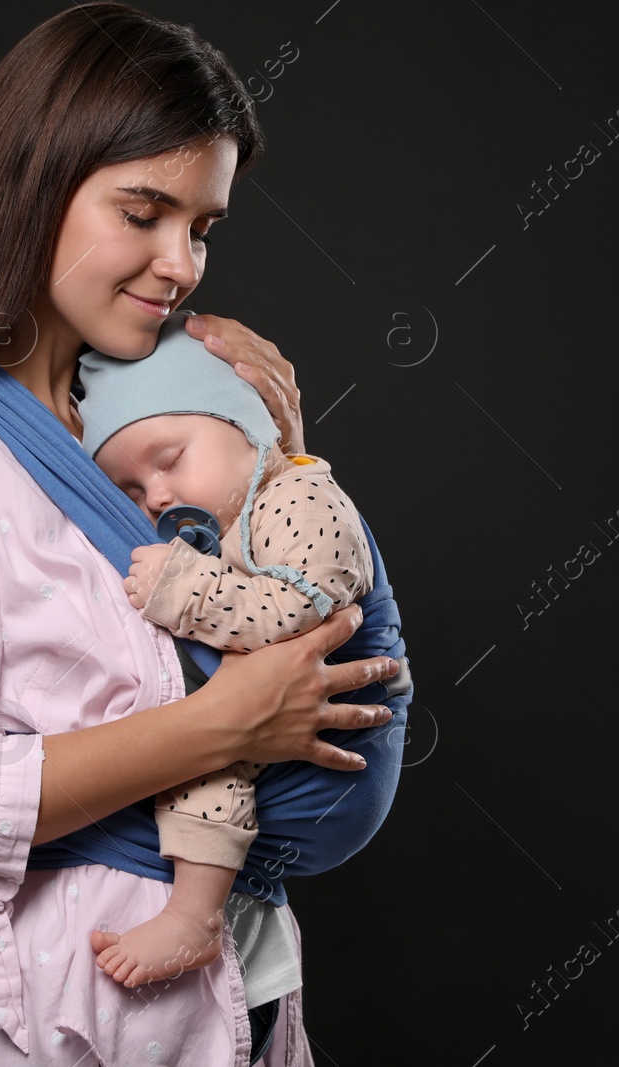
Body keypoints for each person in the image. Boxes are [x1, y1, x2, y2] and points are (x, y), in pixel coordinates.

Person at [0, 5, 411, 1064]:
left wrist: (276, 461)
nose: (180, 263)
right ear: (32, 184)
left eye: (204, 227)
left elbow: (287, 617)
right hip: (49, 1016)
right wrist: (217, 728)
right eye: (143, 211)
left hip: (233, 998)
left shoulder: (145, 435)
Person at [74, 315, 375, 989]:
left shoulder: (301, 495)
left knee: (205, 757)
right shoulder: (240, 516)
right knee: (199, 740)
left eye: (170, 459)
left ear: (249, 428)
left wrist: (185, 588)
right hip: (286, 744)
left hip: (339, 741)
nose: (157, 495)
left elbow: (299, 612)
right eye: (130, 489)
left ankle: (195, 914)